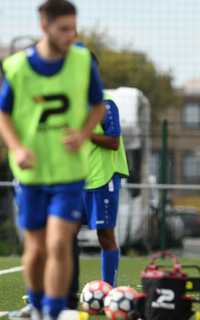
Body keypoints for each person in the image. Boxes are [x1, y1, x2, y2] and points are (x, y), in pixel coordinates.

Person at [0, 1, 105, 319]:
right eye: (63, 29)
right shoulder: (17, 67)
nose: (70, 35)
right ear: (43, 26)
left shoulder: (83, 60)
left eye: (73, 28)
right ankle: (35, 302)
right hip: (31, 175)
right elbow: (3, 113)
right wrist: (17, 147)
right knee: (36, 250)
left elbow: (97, 105)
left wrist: (84, 133)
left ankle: (53, 312)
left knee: (60, 243)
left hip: (69, 172)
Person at [79, 90, 129, 287]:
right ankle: (61, 291)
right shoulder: (69, 101)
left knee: (105, 235)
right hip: (76, 179)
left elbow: (114, 142)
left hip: (102, 178)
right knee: (64, 234)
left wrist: (84, 134)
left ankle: (109, 288)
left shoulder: (105, 103)